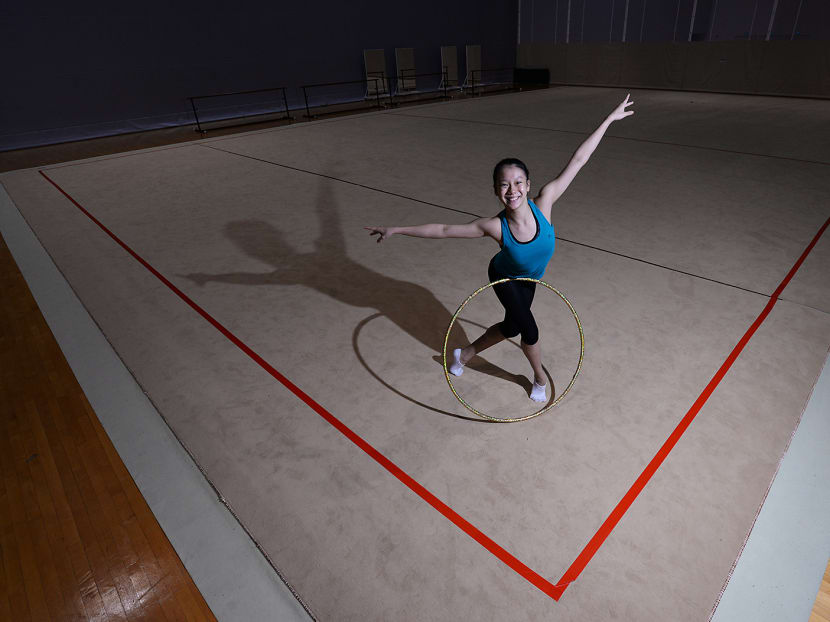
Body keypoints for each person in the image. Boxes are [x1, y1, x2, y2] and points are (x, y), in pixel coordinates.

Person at [365, 94, 634, 402]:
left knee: (510, 327)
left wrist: (610, 119)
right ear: (496, 190)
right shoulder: (494, 227)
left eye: (518, 182)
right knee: (528, 331)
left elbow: (579, 160)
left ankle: (462, 355)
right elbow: (443, 230)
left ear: (529, 185)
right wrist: (396, 229)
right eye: (504, 185)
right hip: (504, 274)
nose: (513, 190)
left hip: (530, 278)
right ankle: (539, 379)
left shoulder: (545, 203)